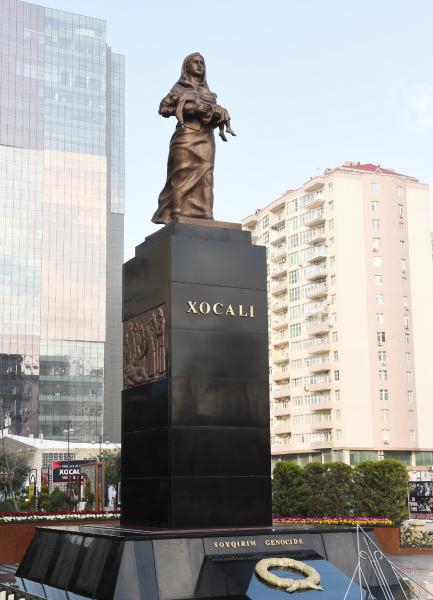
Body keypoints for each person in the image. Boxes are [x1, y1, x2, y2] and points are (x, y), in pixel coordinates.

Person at [152, 53, 234, 225]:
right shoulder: (179, 88)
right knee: (181, 174)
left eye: (202, 63)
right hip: (185, 136)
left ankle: (206, 214)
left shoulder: (209, 93)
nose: (199, 65)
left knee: (207, 174)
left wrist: (218, 113)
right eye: (195, 62)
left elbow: (212, 116)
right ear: (187, 66)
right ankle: (177, 213)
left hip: (206, 137)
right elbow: (164, 109)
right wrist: (193, 108)